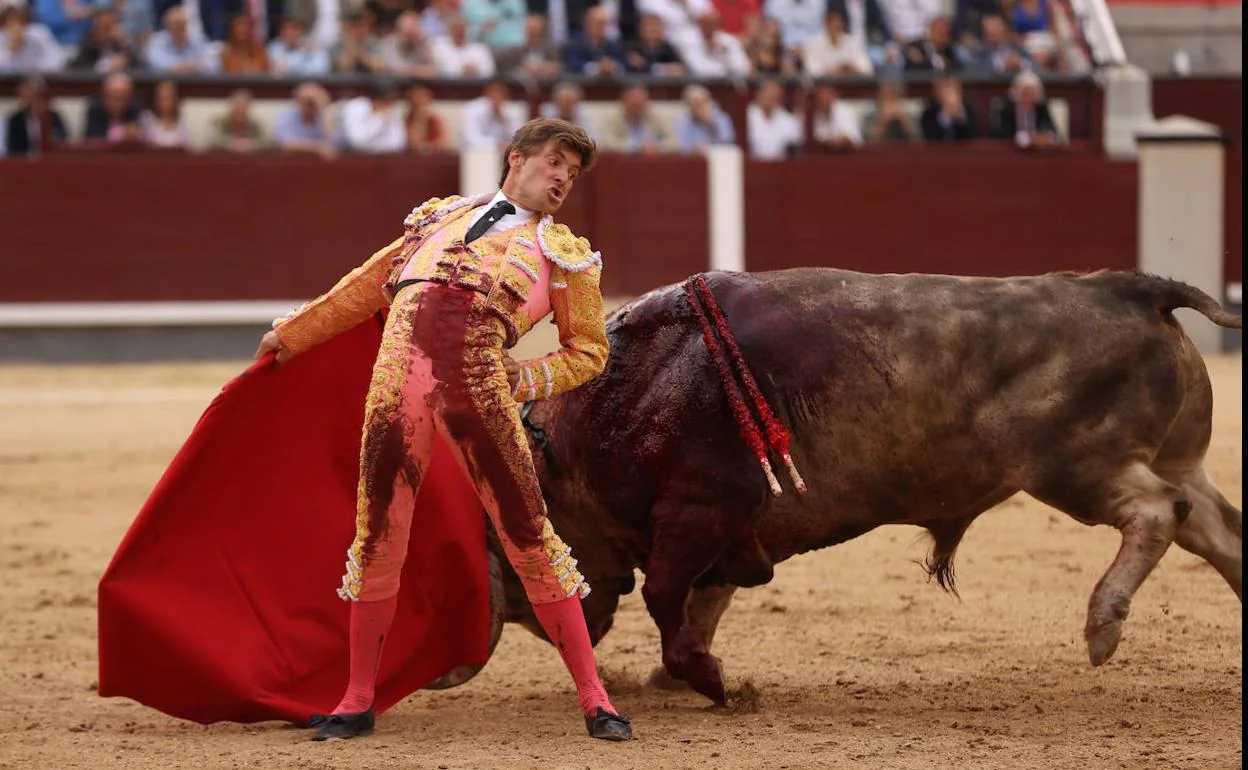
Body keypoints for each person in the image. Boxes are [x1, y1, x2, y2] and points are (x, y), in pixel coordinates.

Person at [255, 118, 634, 743]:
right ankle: (356, 700)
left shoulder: (566, 256)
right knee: (377, 539)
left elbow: (589, 351)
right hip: (395, 389)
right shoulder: (437, 220)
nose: (564, 176)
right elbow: (365, 287)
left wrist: (524, 379)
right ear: (518, 158)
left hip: (480, 393)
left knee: (529, 539)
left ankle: (596, 699)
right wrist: (293, 336)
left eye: (574, 170)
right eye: (556, 161)